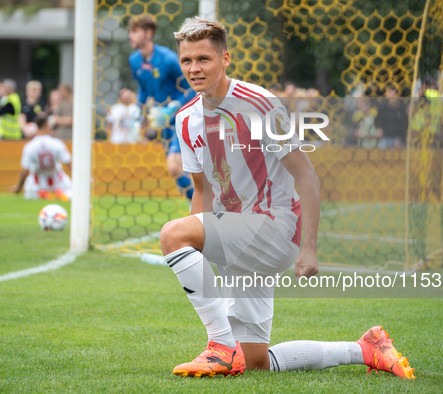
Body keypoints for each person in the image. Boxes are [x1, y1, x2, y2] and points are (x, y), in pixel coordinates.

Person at [160, 17, 415, 379]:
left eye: (204, 59)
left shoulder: (260, 103)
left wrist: (309, 247)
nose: (194, 68)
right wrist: (201, 249)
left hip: (274, 226)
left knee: (172, 235)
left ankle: (219, 345)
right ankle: (366, 347)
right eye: (187, 61)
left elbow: (305, 175)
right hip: (235, 233)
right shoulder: (186, 120)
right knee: (255, 361)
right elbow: (202, 189)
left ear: (225, 58)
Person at [128, 14, 195, 200]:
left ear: (148, 33)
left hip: (182, 117)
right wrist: (136, 116)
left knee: (175, 166)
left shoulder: (169, 59)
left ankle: (203, 209)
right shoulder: (134, 60)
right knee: (176, 169)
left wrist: (172, 108)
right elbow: (143, 88)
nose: (129, 35)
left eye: (134, 31)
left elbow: (192, 88)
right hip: (162, 121)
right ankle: (197, 207)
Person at [9, 112, 72, 201]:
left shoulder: (29, 146)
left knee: (29, 191)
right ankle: (60, 193)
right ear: (48, 125)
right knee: (71, 190)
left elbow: (24, 171)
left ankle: (42, 194)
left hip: (38, 184)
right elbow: (69, 164)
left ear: (36, 126)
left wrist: (18, 187)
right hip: (57, 182)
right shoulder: (57, 144)